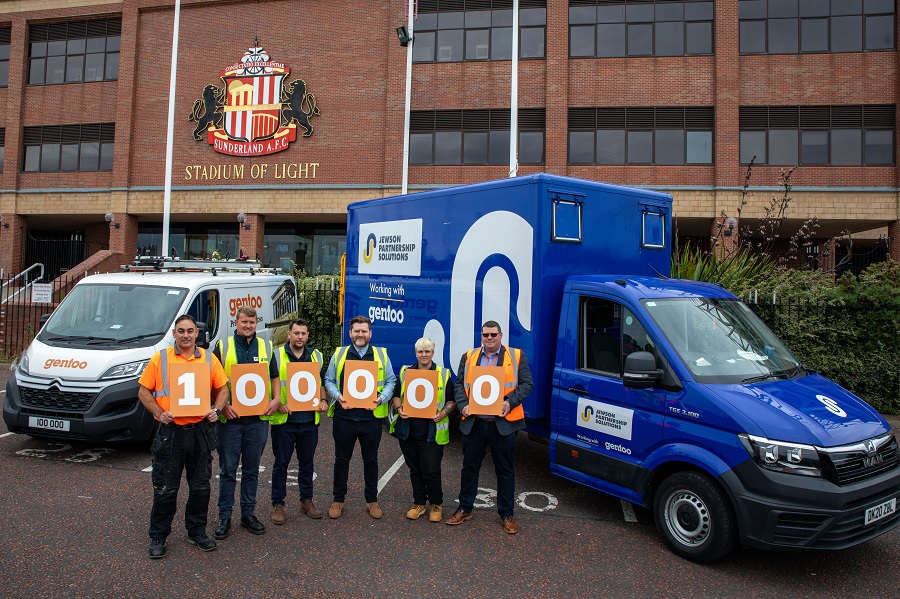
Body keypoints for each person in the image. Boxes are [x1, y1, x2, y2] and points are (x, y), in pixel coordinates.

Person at [138, 314, 229, 559]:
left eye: (190, 331)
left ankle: (196, 531)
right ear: (174, 334)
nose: (186, 335)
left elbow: (223, 388)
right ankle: (159, 535)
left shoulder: (209, 359)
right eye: (181, 331)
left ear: (196, 334)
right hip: (171, 433)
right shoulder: (161, 359)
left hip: (199, 431)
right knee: (166, 489)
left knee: (200, 487)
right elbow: (143, 391)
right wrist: (158, 412)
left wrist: (217, 410)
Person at [445, 320, 533, 534]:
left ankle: (507, 514)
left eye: (493, 334)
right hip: (475, 423)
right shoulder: (469, 357)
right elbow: (459, 384)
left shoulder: (516, 356)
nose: (489, 338)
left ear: (501, 336)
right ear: (481, 336)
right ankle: (465, 508)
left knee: (505, 470)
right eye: (486, 335)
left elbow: (527, 384)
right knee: (469, 468)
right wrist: (463, 406)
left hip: (502, 425)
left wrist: (509, 402)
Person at [323, 315, 396, 519]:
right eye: (357, 331)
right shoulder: (340, 354)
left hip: (370, 419)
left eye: (364, 331)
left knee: (370, 461)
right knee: (341, 460)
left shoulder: (381, 355)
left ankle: (372, 501)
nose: (360, 334)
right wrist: (338, 396)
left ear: (370, 333)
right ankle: (338, 501)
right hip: (344, 417)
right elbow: (329, 380)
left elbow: (391, 381)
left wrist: (382, 399)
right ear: (350, 333)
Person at [213, 306, 274, 539]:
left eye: (252, 322)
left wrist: (276, 399)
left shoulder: (266, 347)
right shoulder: (223, 347)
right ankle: (224, 517)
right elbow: (211, 382)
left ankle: (248, 514)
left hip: (257, 421)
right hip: (230, 421)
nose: (248, 326)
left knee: (251, 471)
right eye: (244, 322)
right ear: (235, 322)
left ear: (256, 323)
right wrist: (223, 406)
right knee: (228, 470)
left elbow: (275, 377)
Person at [266, 318, 328, 524]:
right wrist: (277, 402)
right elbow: (268, 385)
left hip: (309, 421)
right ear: (289, 335)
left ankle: (306, 500)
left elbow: (320, 384)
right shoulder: (276, 356)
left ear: (307, 335)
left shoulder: (316, 356)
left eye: (303, 333)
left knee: (307, 464)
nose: (300, 337)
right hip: (285, 421)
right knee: (280, 464)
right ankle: (278, 504)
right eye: (296, 333)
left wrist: (324, 399)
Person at [390, 337, 455, 522]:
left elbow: (452, 400)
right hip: (408, 432)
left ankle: (436, 504)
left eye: (427, 351)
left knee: (431, 470)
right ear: (416, 353)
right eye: (420, 351)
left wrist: (443, 413)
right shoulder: (406, 372)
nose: (424, 354)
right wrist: (399, 408)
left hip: (432, 433)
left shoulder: (443, 374)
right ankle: (419, 503)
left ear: (433, 353)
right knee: (415, 469)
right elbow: (396, 396)